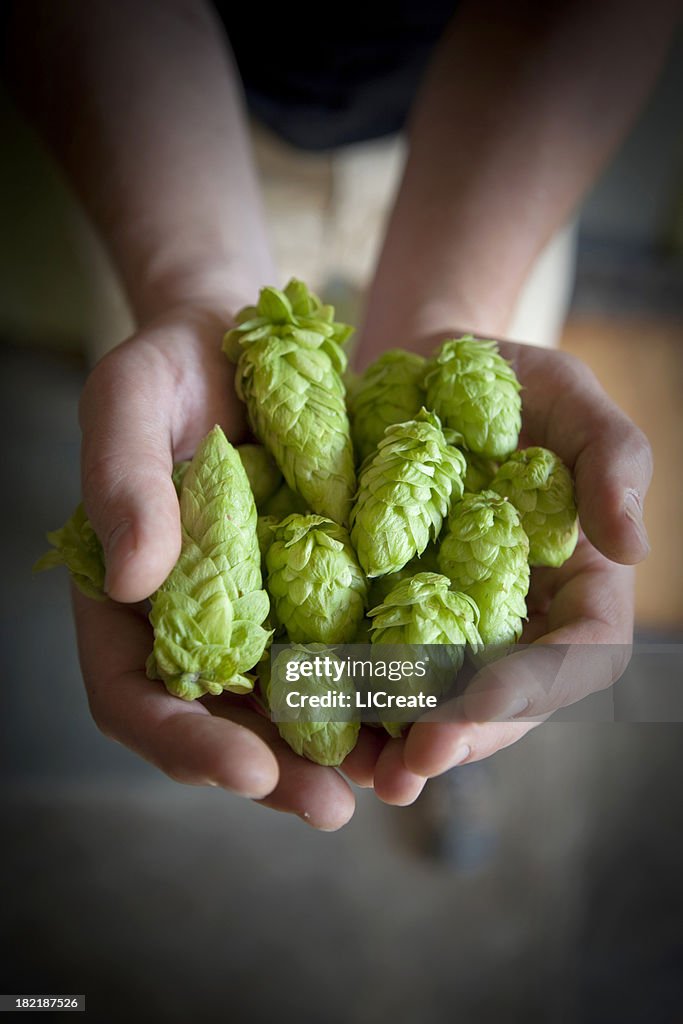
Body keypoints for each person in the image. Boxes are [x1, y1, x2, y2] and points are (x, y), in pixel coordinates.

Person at [5, 0, 678, 831]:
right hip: (163, 132)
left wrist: (458, 301)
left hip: (496, 156)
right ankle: (432, 715)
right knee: (151, 431)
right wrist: (186, 277)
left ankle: (444, 724)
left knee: (462, 689)